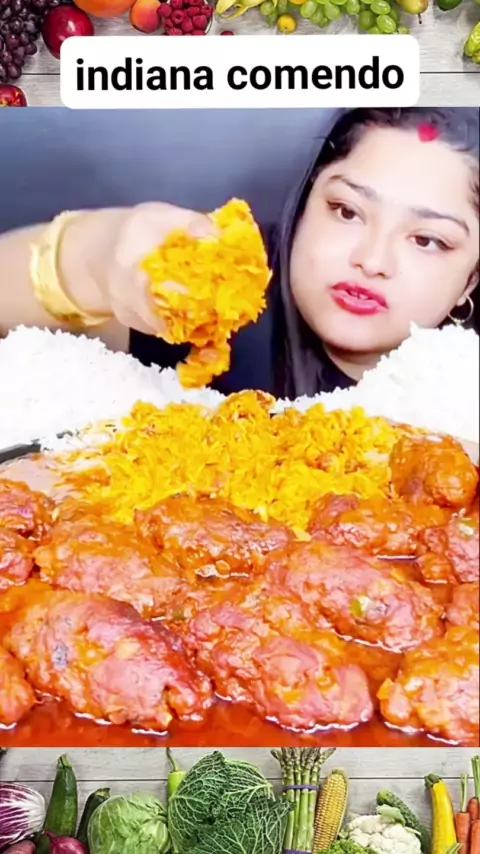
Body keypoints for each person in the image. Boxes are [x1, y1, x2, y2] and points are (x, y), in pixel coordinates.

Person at [0, 107, 478, 400]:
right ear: (307, 201)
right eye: (347, 211)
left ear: (471, 281)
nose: (372, 260)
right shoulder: (218, 290)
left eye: (427, 240)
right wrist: (98, 255)